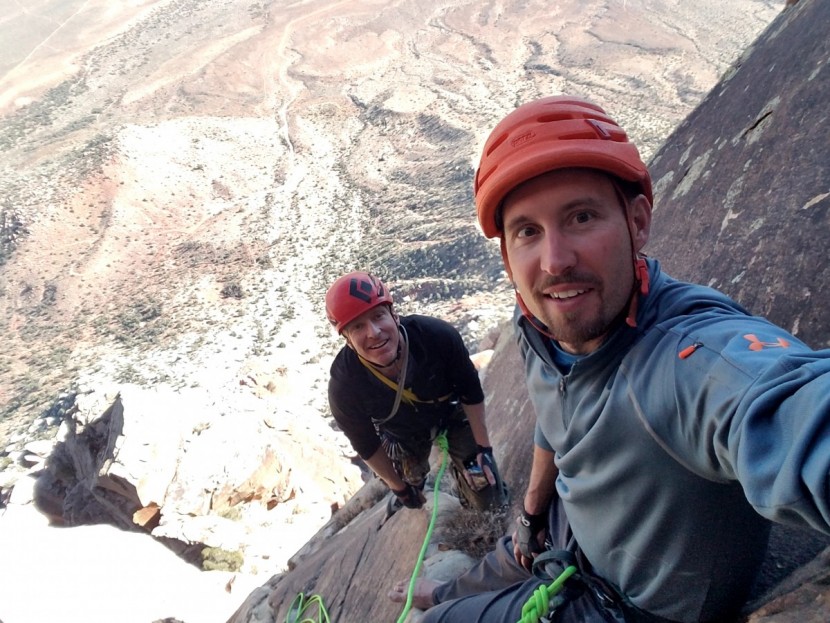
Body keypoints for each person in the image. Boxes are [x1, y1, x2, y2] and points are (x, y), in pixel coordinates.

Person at [388, 95, 830, 622]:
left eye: (581, 216)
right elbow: (557, 418)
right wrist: (531, 510)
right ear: (508, 256)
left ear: (637, 222)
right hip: (572, 526)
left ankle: (441, 603)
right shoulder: (538, 324)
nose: (556, 261)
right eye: (528, 231)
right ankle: (445, 591)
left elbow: (786, 407)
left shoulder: (686, 358)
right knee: (501, 560)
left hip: (623, 606)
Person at [325, 271, 508, 513]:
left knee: (490, 503)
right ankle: (419, 482)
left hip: (452, 412)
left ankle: (465, 479)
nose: (374, 332)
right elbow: (366, 445)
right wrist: (398, 487)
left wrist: (483, 449)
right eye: (358, 327)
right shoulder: (345, 385)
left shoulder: (436, 337)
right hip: (403, 434)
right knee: (412, 484)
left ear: (394, 314)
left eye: (378, 316)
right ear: (347, 340)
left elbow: (470, 392)